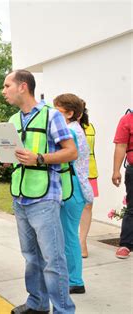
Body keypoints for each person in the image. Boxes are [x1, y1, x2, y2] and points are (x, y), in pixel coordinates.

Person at [3, 70, 77, 314]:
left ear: (23, 86)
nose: (3, 91)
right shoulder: (13, 120)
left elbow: (71, 152)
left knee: (53, 260)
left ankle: (63, 310)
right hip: (20, 197)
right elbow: (9, 156)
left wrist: (39, 158)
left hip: (45, 198)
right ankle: (37, 303)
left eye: (7, 86)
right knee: (31, 257)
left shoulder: (52, 116)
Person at [54, 94, 94, 294]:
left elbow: (64, 157)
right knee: (66, 235)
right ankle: (71, 278)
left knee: (68, 236)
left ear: (70, 113)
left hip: (73, 188)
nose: (53, 115)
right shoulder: (75, 129)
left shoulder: (69, 131)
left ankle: (75, 280)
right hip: (75, 188)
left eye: (58, 111)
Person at [112, 108, 133, 259]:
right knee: (132, 208)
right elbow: (120, 146)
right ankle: (126, 244)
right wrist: (116, 170)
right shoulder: (127, 120)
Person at [79, 100, 99, 258]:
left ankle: (82, 241)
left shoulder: (90, 127)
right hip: (69, 173)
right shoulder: (62, 128)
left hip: (89, 172)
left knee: (87, 207)